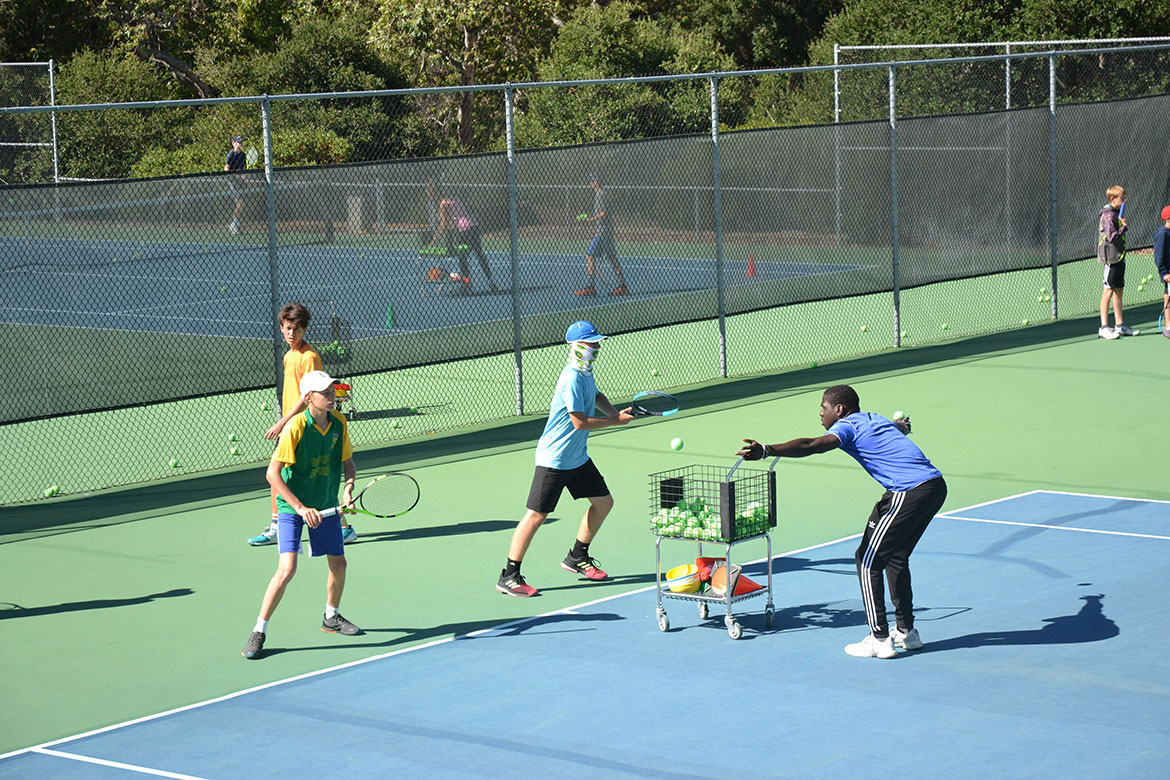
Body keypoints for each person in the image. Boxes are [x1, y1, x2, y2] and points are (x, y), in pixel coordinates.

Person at [736, 385, 947, 659]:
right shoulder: (874, 418)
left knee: (868, 560)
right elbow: (894, 428)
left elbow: (812, 446)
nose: (820, 414)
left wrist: (767, 450)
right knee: (895, 556)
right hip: (935, 486)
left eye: (823, 408)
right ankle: (907, 632)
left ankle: (880, 639)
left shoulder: (846, 426)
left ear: (839, 410)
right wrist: (900, 426)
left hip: (907, 491)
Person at [496, 320, 636, 597]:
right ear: (576, 346)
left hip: (577, 457)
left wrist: (613, 413)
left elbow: (595, 394)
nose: (596, 347)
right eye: (591, 343)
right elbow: (579, 423)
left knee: (603, 503)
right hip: (555, 459)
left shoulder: (585, 373)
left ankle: (577, 556)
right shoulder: (571, 377)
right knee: (537, 515)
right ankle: (509, 575)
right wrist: (614, 423)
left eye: (597, 342)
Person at [242, 370, 361, 659]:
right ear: (309, 398)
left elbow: (349, 464)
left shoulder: (339, 423)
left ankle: (331, 616)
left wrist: (347, 490)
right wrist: (299, 508)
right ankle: (259, 630)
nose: (332, 394)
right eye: (325, 392)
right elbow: (272, 474)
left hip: (325, 503)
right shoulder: (295, 427)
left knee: (339, 564)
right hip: (293, 506)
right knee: (287, 570)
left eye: (332, 389)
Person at [249, 303, 355, 546]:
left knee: (296, 476)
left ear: (304, 330)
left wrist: (284, 421)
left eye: (296, 329)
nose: (290, 334)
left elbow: (308, 395)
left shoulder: (310, 357)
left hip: (305, 426)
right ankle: (337, 526)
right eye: (287, 328)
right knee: (285, 475)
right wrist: (285, 420)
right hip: (291, 424)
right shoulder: (289, 356)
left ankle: (338, 526)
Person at [428, 182, 498, 293]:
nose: (430, 199)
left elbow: (445, 224)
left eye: (430, 196)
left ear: (433, 195)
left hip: (464, 231)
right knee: (479, 255)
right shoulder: (454, 199)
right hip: (473, 228)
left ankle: (466, 285)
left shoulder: (443, 204)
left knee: (462, 258)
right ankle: (491, 282)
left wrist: (434, 241)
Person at [574, 174, 629, 297]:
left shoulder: (601, 195)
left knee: (589, 255)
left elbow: (604, 213)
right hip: (606, 233)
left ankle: (590, 286)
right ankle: (623, 285)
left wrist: (591, 219)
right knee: (611, 258)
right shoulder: (602, 194)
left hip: (602, 233)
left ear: (596, 182)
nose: (589, 183)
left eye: (591, 181)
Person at [1097, 185, 1138, 339]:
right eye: (1122, 198)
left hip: (1119, 256)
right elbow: (1111, 237)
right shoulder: (1108, 216)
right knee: (1108, 292)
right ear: (1113, 200)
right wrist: (1123, 228)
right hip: (1111, 259)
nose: (1125, 200)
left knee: (1118, 289)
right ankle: (1104, 328)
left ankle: (1119, 326)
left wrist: (1121, 224)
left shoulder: (1115, 214)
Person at [225, 135, 247, 234]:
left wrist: (244, 175)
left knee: (243, 202)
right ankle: (234, 224)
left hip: (241, 182)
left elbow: (244, 169)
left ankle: (235, 223)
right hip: (232, 181)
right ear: (233, 143)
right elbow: (226, 169)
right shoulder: (231, 155)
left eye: (241, 142)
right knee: (240, 202)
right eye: (238, 142)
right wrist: (236, 175)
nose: (240, 144)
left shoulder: (243, 155)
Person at [1154, 204, 1170, 339]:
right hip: (1168, 273)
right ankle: (1168, 327)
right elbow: (1159, 256)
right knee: (1168, 298)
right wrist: (1164, 273)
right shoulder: (1162, 234)